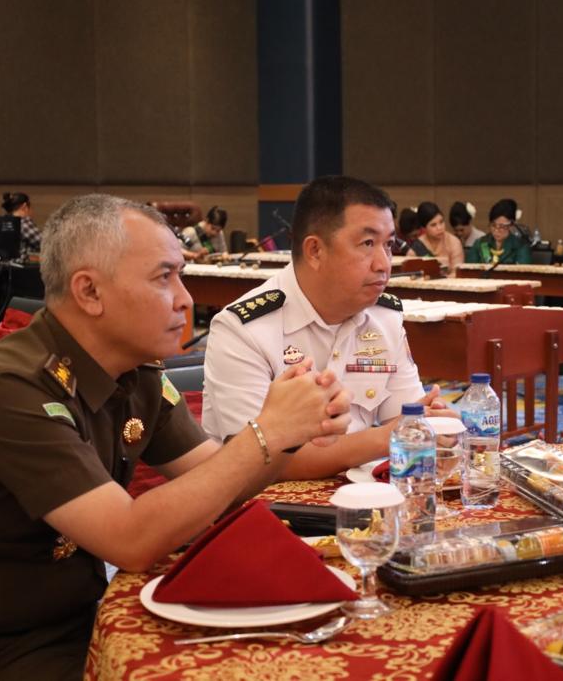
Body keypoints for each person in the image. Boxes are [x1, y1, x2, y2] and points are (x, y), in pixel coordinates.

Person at [0, 194, 351, 680]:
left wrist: (292, 431)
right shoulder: (12, 387)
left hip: (77, 620)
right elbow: (129, 538)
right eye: (163, 277)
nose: (186, 299)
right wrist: (267, 431)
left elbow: (217, 477)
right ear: (88, 292)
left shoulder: (135, 372)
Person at [203, 175, 454, 480]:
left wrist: (433, 426)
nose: (384, 263)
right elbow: (259, 460)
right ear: (315, 251)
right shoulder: (243, 329)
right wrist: (387, 437)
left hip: (362, 499)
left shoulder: (384, 317)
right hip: (268, 509)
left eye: (388, 245)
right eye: (367, 243)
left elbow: (407, 416)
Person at [466, 198, 532, 265]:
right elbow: (469, 270)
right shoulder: (481, 243)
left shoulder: (520, 247)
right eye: (493, 225)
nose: (496, 230)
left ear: (511, 225)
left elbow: (522, 273)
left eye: (502, 226)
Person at [415, 201, 464, 274]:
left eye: (441, 222)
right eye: (433, 225)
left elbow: (457, 273)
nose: (439, 228)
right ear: (424, 228)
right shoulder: (417, 246)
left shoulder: (454, 242)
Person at [2, 191, 42, 263]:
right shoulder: (23, 222)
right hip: (20, 270)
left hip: (6, 267)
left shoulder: (5, 222)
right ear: (24, 206)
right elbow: (43, 243)